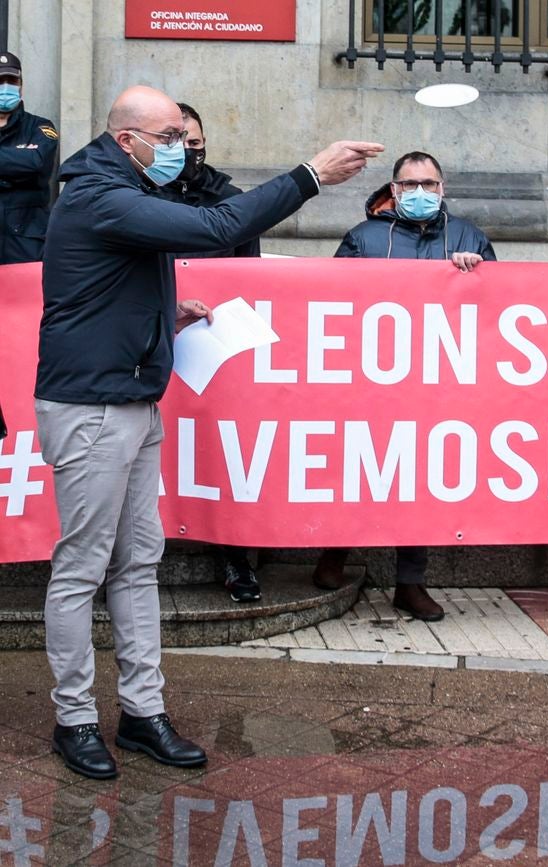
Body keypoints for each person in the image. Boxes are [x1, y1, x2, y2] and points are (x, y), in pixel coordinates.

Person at [35, 84, 381, 780]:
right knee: (81, 568)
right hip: (93, 407)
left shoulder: (121, 184)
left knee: (137, 564)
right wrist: (310, 176)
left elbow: (110, 285)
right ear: (127, 139)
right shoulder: (99, 192)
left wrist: (168, 317)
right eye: (167, 137)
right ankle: (73, 718)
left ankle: (141, 712)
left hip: (133, 398)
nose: (180, 149)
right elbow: (216, 228)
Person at [310, 150, 494, 622]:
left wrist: (475, 278)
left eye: (427, 184)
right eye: (409, 185)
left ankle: (410, 583)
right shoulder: (364, 238)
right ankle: (334, 554)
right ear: (393, 191)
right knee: (360, 469)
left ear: (442, 188)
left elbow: (497, 310)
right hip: (371, 383)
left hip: (436, 385)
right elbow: (329, 304)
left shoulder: (468, 237)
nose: (419, 193)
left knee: (420, 483)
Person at [159, 102, 262, 603]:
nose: (188, 153)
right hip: (148, 342)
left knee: (218, 453)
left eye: (196, 144)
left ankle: (235, 558)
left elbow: (250, 277)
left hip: (212, 345)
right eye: (178, 142)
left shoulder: (228, 199)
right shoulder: (137, 193)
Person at [0, 52, 59, 264]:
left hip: (27, 242)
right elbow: (27, 164)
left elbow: (37, 164)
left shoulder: (40, 127)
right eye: (0, 81)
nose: (6, 86)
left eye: (12, 80)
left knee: (26, 297)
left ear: (21, 85)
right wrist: (17, 164)